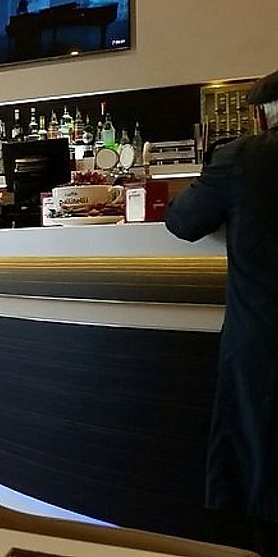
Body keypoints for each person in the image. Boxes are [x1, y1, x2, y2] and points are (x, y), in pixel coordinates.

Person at [166, 69, 278, 555]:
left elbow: (184, 221)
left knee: (263, 463)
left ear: (260, 116)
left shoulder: (242, 159)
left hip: (265, 342)